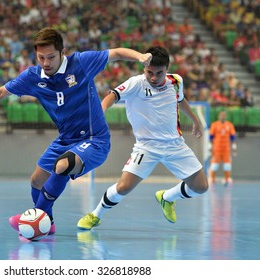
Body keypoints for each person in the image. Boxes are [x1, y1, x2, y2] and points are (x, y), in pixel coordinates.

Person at [0, 27, 152, 236]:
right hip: (64, 140)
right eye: (41, 57)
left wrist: (139, 56)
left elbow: (115, 53)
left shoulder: (80, 63)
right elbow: (1, 92)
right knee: (36, 180)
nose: (46, 62)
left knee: (63, 165)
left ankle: (37, 214)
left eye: (51, 57)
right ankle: (48, 223)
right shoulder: (33, 77)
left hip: (95, 140)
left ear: (62, 52)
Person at [77, 46, 209, 230]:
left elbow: (180, 100)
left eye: (159, 73)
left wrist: (195, 120)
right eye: (150, 73)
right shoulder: (136, 83)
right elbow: (111, 96)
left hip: (175, 145)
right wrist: (102, 113)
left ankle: (166, 198)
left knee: (201, 187)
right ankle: (95, 215)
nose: (154, 78)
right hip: (146, 147)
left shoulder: (176, 81)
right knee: (123, 187)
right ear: (144, 69)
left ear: (168, 68)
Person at [208, 110, 237, 186]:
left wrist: (234, 146)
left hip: (226, 149)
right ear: (219, 116)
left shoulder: (229, 125)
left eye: (224, 115)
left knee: (227, 165)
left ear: (226, 116)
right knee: (214, 166)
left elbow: (233, 136)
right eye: (221, 115)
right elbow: (211, 136)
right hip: (216, 149)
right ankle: (212, 179)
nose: (223, 117)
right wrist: (210, 146)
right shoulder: (214, 125)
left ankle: (227, 179)